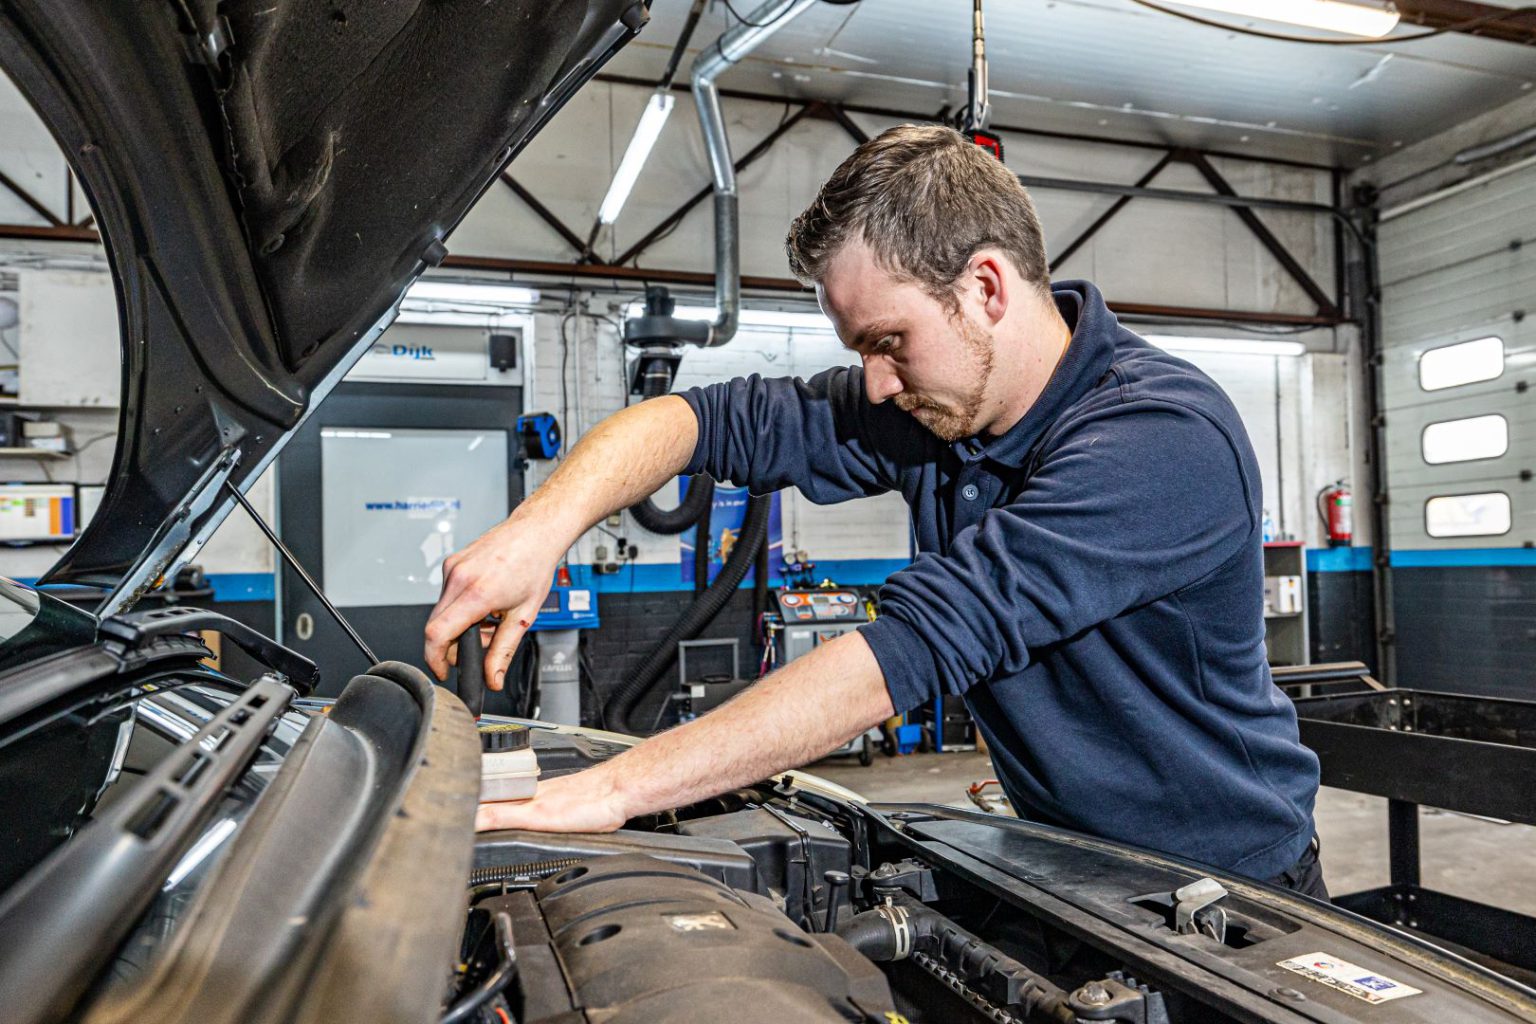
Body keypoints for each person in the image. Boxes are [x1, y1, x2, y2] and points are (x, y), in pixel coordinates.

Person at [424, 124, 1326, 898]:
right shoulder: (933, 409)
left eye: (889, 341)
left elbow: (915, 648)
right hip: (1068, 861)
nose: (876, 383)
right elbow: (700, 420)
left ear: (985, 287)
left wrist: (619, 789)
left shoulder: (1159, 436)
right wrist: (540, 526)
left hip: (1225, 891)